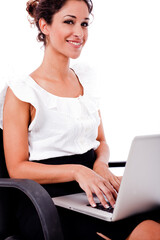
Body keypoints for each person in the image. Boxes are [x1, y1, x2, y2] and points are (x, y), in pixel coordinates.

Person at [0, 0, 159, 239]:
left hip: (92, 190)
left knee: (152, 228)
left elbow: (101, 142)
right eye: (69, 22)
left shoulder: (86, 78)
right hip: (44, 199)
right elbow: (17, 168)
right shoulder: (22, 91)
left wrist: (100, 166)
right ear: (45, 26)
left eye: (84, 24)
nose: (79, 32)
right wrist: (77, 171)